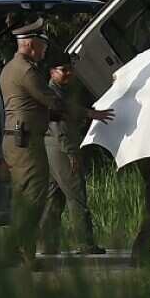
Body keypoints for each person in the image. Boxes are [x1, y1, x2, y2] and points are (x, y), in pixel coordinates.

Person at [0, 19, 114, 266]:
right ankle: (25, 255)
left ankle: (16, 251)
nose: (44, 51)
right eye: (42, 45)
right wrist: (89, 113)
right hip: (27, 143)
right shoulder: (27, 71)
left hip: (17, 140)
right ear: (29, 44)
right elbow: (54, 103)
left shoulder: (10, 68)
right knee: (33, 198)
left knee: (24, 199)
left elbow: (40, 109)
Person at [39, 50, 105, 255]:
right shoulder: (54, 94)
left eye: (70, 70)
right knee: (76, 195)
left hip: (52, 149)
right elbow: (60, 128)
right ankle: (85, 243)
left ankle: (47, 244)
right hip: (61, 149)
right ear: (52, 72)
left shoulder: (59, 92)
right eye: (63, 70)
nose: (69, 73)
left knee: (54, 197)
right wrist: (71, 153)